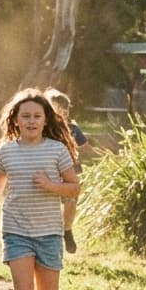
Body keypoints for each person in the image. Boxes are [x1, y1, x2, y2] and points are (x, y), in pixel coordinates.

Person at [0, 89, 79, 290]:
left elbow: (73, 187)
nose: (31, 121)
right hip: (16, 230)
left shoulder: (56, 150)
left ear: (46, 119)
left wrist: (50, 185)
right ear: (15, 120)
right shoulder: (7, 151)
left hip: (48, 232)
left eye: (37, 116)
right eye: (26, 116)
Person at [43, 88, 93, 254]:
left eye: (65, 107)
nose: (62, 111)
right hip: (47, 170)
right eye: (57, 106)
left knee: (71, 201)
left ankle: (67, 230)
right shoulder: (41, 128)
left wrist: (109, 155)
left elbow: (86, 148)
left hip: (70, 171)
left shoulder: (73, 129)